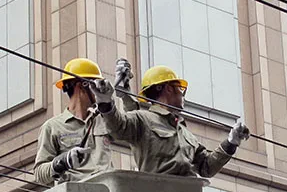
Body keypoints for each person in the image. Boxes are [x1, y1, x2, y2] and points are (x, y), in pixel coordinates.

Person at [90, 65, 250, 178]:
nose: (182, 95)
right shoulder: (143, 119)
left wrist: (231, 142)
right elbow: (118, 127)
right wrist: (105, 102)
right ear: (168, 89)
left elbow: (206, 167)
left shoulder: (184, 132)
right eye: (180, 89)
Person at [34, 58, 114, 185]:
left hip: (107, 191)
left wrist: (122, 95)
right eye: (95, 83)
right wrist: (63, 162)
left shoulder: (104, 120)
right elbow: (39, 174)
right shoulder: (53, 127)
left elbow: (130, 131)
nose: (98, 89)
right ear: (82, 86)